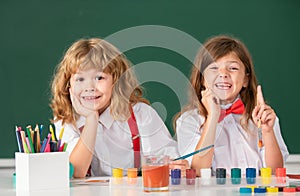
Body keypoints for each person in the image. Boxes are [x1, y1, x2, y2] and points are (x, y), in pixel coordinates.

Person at [50, 38, 188, 178]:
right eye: (80, 79)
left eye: (99, 78)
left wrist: (173, 165)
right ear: (69, 85)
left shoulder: (140, 114)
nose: (90, 87)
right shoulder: (66, 119)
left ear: (116, 81)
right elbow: (76, 172)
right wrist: (92, 120)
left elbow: (168, 159)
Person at [175, 35, 288, 176]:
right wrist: (213, 117)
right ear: (202, 79)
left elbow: (274, 171)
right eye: (214, 68)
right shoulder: (189, 121)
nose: (223, 74)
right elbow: (198, 170)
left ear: (246, 79)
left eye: (233, 68)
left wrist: (267, 131)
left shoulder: (262, 118)